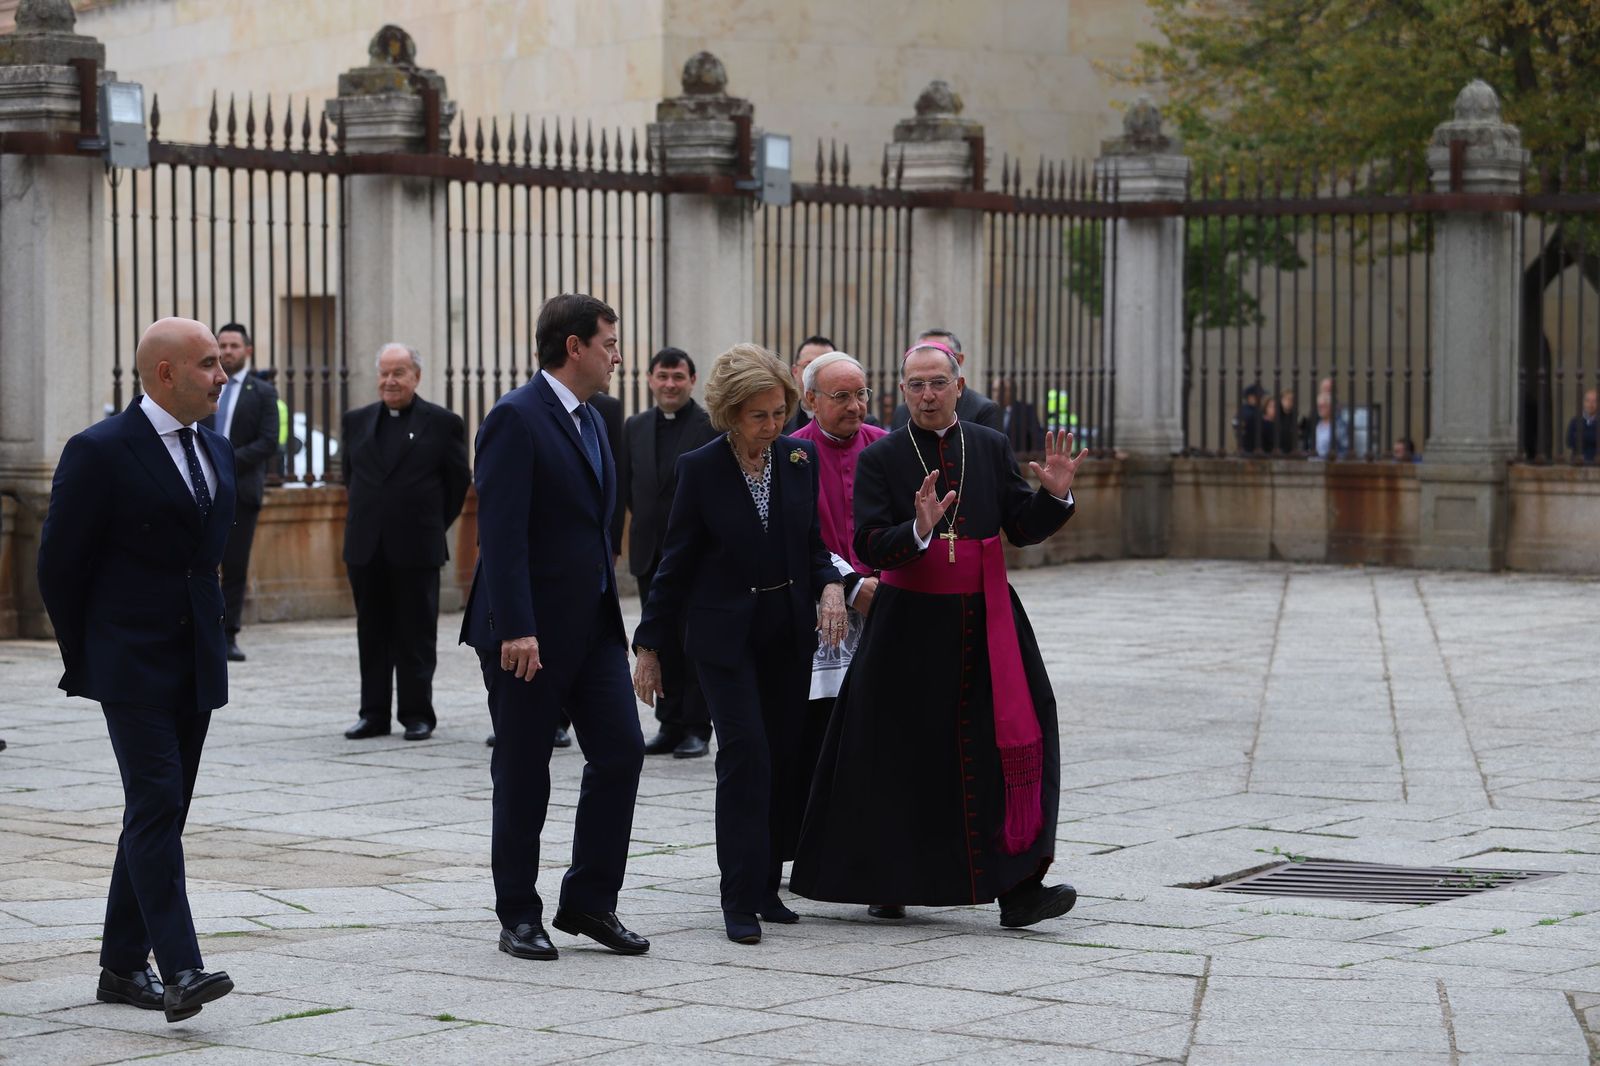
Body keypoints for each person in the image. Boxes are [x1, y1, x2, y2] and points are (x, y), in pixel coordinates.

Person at [792, 338, 1081, 930]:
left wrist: (1055, 497)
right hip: (908, 626)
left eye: (937, 383)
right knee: (896, 753)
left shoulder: (991, 444)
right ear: (901, 392)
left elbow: (1019, 527)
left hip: (986, 619)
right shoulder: (884, 458)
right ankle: (888, 882)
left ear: (958, 384)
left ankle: (1020, 889)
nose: (927, 395)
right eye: (915, 386)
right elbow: (869, 543)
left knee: (1009, 742)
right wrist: (916, 530)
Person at [37, 318, 236, 1023]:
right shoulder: (100, 451)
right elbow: (58, 567)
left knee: (163, 810)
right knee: (155, 803)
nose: (223, 375)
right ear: (165, 374)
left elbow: (204, 561)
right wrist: (91, 656)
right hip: (131, 662)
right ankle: (180, 967)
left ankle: (122, 967)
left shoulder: (214, 448)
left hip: (194, 660)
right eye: (209, 364)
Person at [631, 343, 846, 946]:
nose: (773, 426)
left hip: (785, 633)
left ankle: (764, 886)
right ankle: (736, 897)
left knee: (780, 756)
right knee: (745, 754)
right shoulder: (701, 467)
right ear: (729, 414)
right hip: (723, 639)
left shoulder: (801, 458)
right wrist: (649, 646)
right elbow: (674, 564)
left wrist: (829, 586)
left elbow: (812, 544)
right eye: (759, 415)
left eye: (779, 412)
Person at [461, 293, 649, 963]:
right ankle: (518, 913)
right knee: (524, 771)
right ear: (574, 347)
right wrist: (516, 626)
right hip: (526, 634)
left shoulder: (597, 417)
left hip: (593, 624)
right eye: (609, 343)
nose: (617, 355)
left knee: (622, 752)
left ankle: (590, 900)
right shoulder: (515, 417)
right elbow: (501, 532)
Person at [340, 343, 471, 742]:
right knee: (371, 632)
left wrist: (429, 524)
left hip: (416, 546)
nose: (390, 380)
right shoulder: (356, 421)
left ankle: (417, 713)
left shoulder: (442, 423)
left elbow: (456, 484)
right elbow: (351, 477)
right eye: (384, 372)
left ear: (416, 376)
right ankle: (373, 713)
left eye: (399, 372)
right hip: (366, 546)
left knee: (416, 634)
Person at [619, 348, 718, 758]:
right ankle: (669, 723)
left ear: (692, 380)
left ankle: (697, 725)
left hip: (696, 556)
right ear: (650, 379)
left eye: (678, 377)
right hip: (649, 552)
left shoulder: (710, 425)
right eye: (663, 376)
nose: (670, 384)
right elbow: (626, 487)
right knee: (658, 641)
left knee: (693, 640)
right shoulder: (634, 427)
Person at [790, 352, 886, 770]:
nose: (855, 406)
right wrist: (849, 584)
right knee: (822, 730)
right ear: (811, 398)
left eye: (861, 394)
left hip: (886, 595)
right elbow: (794, 536)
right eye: (842, 396)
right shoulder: (792, 454)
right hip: (820, 599)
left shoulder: (886, 445)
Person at [202, 324, 279, 663]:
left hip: (241, 491)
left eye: (234, 345)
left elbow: (268, 441)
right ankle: (201, 630)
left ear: (247, 350)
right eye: (223, 345)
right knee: (201, 564)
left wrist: (225, 461)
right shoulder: (203, 386)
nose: (228, 351)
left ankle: (228, 634)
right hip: (201, 488)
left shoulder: (262, 392)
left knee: (234, 567)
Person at [890, 328, 1004, 432]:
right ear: (903, 390)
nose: (928, 396)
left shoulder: (984, 410)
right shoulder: (901, 413)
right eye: (924, 351)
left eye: (939, 383)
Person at [783, 334, 834, 432]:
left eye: (826, 367)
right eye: (809, 366)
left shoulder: (861, 423)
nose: (818, 374)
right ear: (795, 371)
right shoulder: (781, 422)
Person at [993, 376, 1043, 453]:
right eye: (995, 390)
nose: (998, 393)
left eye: (1004, 389)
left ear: (1013, 391)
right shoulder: (990, 411)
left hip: (1019, 460)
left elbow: (1037, 438)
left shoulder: (1026, 411)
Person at [1310, 389, 1351, 459]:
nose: (1320, 409)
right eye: (1318, 406)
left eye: (1323, 406)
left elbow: (1345, 451)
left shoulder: (1340, 426)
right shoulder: (1318, 425)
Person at [1567, 388, 1598, 462]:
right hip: (1578, 462)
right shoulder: (1575, 421)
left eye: (1594, 401)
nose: (1591, 404)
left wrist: (1581, 435)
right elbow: (1569, 441)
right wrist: (1593, 436)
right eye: (1588, 401)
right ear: (1584, 402)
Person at [1235, 383, 1266, 453]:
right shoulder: (1247, 412)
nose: (1262, 398)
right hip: (1250, 449)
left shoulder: (1245, 410)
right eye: (1261, 396)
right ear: (1251, 397)